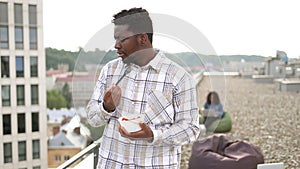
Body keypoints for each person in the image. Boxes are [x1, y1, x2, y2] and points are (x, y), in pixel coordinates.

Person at [86, 7, 200, 168]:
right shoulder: (110, 70)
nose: (116, 45)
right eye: (115, 39)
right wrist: (107, 107)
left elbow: (190, 129)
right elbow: (92, 118)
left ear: (142, 38)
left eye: (121, 39)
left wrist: (153, 135)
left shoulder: (179, 78)